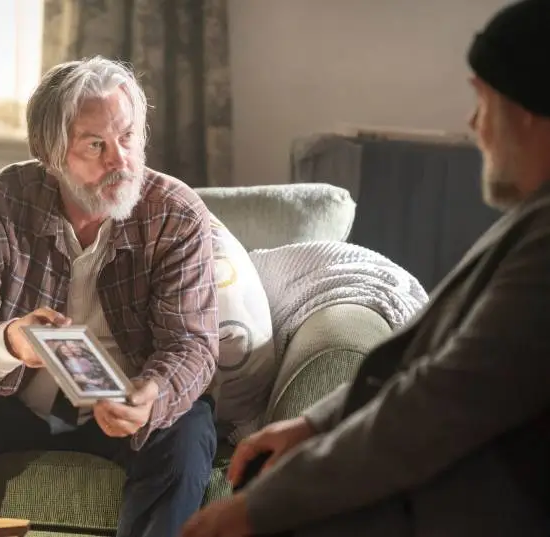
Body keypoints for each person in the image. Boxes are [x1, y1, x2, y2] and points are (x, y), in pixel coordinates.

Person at [180, 1, 550, 536]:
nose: (474, 125)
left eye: (484, 101)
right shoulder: (532, 219)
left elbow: (440, 401)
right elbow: (424, 362)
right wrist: (315, 423)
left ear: (528, 109)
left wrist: (259, 510)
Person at [0, 56, 219, 537]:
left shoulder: (175, 213)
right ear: (51, 155)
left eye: (128, 137)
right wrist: (9, 342)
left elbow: (191, 345)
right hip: (16, 404)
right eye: (95, 144)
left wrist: (152, 395)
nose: (120, 160)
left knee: (188, 431)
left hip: (124, 410)